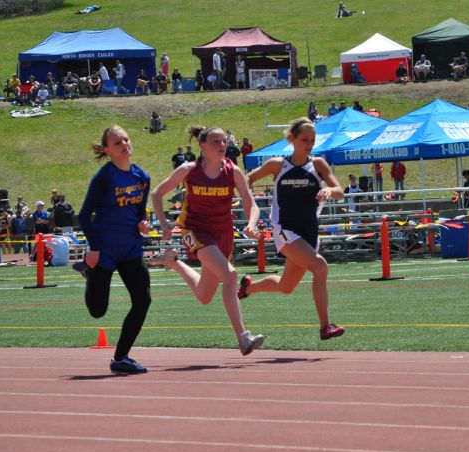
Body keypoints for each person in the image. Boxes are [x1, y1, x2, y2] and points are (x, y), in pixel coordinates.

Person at [150, 125, 264, 355]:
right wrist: (163, 225)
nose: (222, 146)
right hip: (195, 230)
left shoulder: (233, 171)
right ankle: (243, 338)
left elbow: (251, 204)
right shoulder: (188, 170)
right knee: (230, 275)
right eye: (215, 142)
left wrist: (251, 225)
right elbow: (157, 193)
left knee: (204, 295)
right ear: (203, 146)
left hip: (222, 233)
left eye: (224, 141)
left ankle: (173, 262)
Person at [239, 117, 345, 341]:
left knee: (286, 286)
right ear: (292, 139)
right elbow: (247, 178)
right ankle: (325, 326)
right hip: (284, 229)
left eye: (313, 140)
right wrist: (249, 201)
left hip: (308, 232)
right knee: (320, 267)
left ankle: (247, 288)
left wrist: (329, 191)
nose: (309, 144)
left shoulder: (318, 165)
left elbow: (339, 190)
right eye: (305, 139)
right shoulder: (278, 164)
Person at [76, 125, 153, 374]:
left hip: (131, 247)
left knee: (143, 300)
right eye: (117, 142)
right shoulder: (104, 177)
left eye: (126, 139)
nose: (124, 144)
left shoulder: (142, 177)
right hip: (106, 249)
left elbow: (140, 213)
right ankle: (90, 273)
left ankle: (121, 358)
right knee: (98, 311)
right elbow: (85, 215)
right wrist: (95, 248)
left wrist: (144, 224)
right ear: (107, 150)